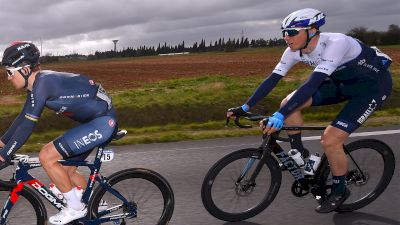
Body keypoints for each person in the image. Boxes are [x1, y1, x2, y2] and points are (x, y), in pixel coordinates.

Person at [227, 8, 392, 213]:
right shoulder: (292, 50)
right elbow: (272, 80)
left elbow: (311, 85)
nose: (287, 37)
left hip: (371, 89)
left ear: (312, 31)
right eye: (284, 32)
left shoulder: (336, 43)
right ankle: (299, 154)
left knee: (330, 139)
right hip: (341, 84)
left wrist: (279, 116)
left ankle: (340, 191)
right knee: (287, 102)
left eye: (293, 32)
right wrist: (244, 107)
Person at [0, 42, 118, 224]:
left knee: (46, 156)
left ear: (24, 70)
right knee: (64, 172)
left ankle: (75, 208)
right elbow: (21, 120)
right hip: (95, 121)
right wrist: (2, 144)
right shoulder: (37, 86)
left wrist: (4, 155)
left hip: (102, 123)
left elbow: (28, 126)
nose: (7, 77)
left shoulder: (43, 85)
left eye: (9, 72)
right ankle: (98, 204)